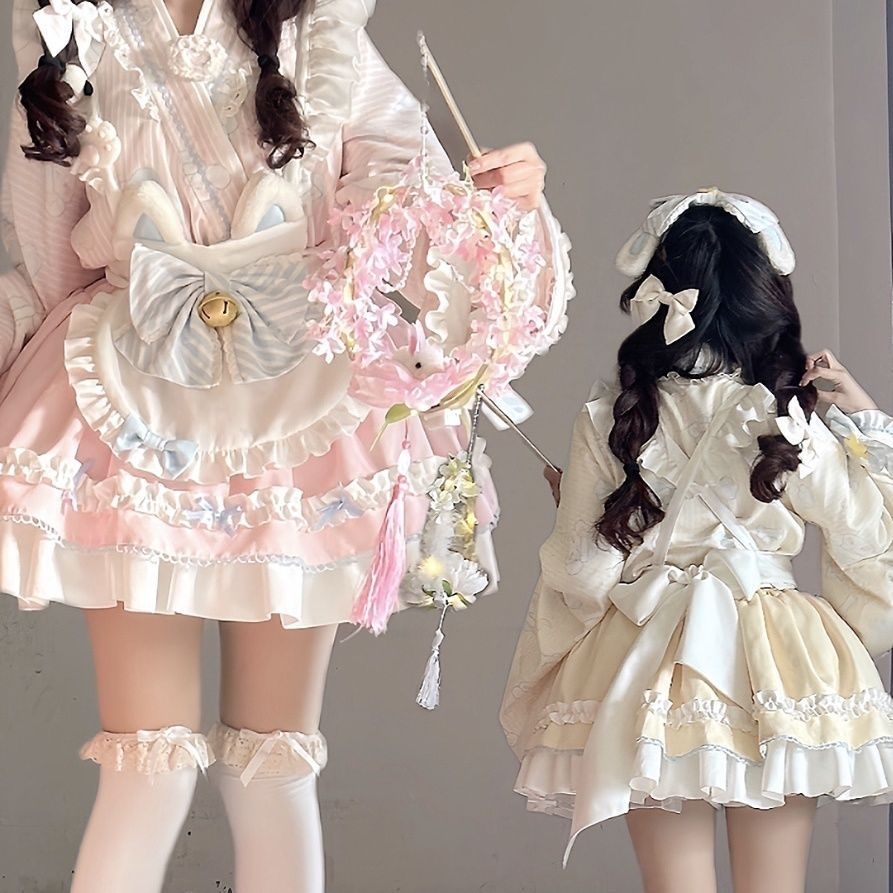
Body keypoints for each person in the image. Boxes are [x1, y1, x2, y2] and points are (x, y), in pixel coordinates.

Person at [0, 0, 573, 888]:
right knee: (149, 765)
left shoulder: (318, 28)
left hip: (296, 406)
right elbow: (46, 252)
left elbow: (416, 207)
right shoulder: (72, 26)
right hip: (135, 402)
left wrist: (505, 201)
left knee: (271, 762)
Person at [501, 190, 893, 893]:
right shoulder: (786, 412)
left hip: (648, 649)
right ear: (762, 294)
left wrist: (587, 520)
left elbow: (583, 572)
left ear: (655, 290)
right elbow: (864, 534)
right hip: (779, 655)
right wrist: (864, 421)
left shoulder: (613, 413)